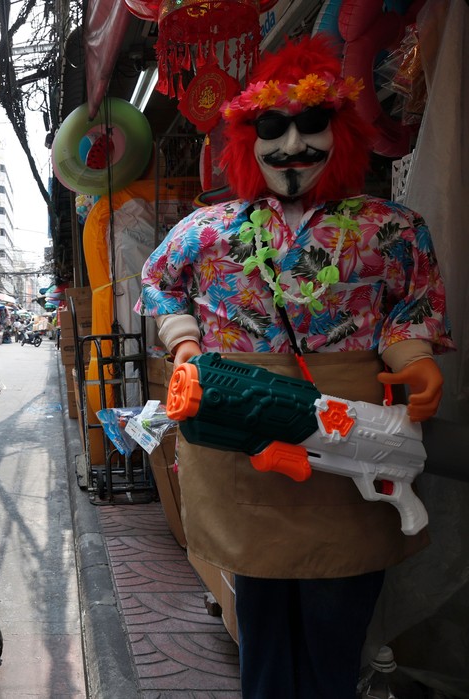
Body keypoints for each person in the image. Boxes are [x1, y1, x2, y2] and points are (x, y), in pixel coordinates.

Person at [135, 36, 454, 699]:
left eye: (312, 125)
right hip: (243, 432)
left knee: (338, 621)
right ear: (246, 141)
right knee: (261, 615)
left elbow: (411, 304)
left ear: (341, 133)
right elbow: (160, 278)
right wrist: (185, 341)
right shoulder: (210, 229)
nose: (292, 146)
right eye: (271, 129)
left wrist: (414, 357)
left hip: (353, 433)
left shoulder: (391, 228)